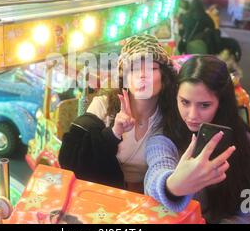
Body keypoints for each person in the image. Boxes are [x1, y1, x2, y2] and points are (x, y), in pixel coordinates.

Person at [144, 55, 250, 223]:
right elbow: (156, 172)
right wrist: (172, 185)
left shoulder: (244, 143)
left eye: (204, 105)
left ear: (221, 103)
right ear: (176, 97)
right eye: (185, 102)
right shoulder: (165, 135)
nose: (192, 115)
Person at [59, 34, 180, 193]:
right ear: (125, 77)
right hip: (104, 197)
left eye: (152, 68)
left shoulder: (171, 114)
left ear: (165, 77)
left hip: (148, 201)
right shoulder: (104, 105)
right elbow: (67, 160)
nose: (142, 75)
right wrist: (113, 133)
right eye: (134, 69)